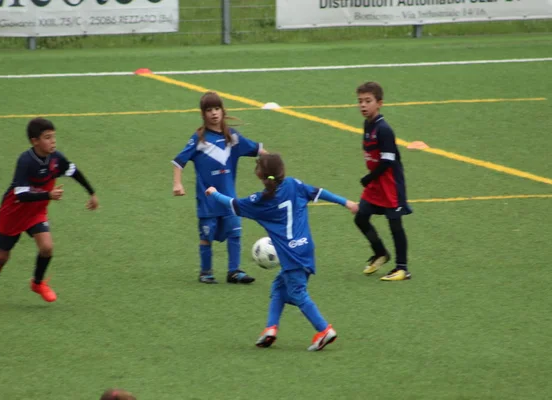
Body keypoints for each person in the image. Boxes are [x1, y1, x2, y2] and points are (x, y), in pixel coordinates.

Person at [205, 153, 358, 351]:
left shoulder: (260, 201)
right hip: (306, 248)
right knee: (279, 286)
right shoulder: (294, 184)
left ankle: (324, 329)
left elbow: (233, 204)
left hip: (291, 256)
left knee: (297, 292)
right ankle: (270, 329)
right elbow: (320, 192)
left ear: (259, 174)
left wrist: (213, 192)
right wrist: (347, 202)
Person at [0, 118, 98, 308]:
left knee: (47, 247)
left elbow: (73, 172)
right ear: (35, 141)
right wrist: (48, 194)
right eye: (47, 138)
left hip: (36, 212)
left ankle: (37, 283)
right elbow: (22, 194)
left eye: (53, 137)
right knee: (1, 257)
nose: (53, 141)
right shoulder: (25, 161)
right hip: (13, 213)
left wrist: (91, 193)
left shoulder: (57, 159)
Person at [172, 91, 269, 284]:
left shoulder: (232, 137)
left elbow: (258, 150)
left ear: (223, 111)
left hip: (229, 198)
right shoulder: (199, 139)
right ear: (203, 114)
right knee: (207, 234)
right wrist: (177, 182)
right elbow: (178, 161)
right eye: (209, 110)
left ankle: (234, 271)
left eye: (217, 108)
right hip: (207, 200)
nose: (214, 113)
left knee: (235, 231)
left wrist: (272, 168)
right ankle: (205, 272)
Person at [355, 81, 412, 281]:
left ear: (380, 103)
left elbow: (387, 161)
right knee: (361, 217)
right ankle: (380, 253)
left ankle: (402, 268)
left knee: (395, 223)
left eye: (368, 101)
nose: (363, 105)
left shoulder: (384, 129)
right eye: (360, 101)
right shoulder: (367, 124)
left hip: (389, 183)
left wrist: (368, 177)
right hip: (376, 181)